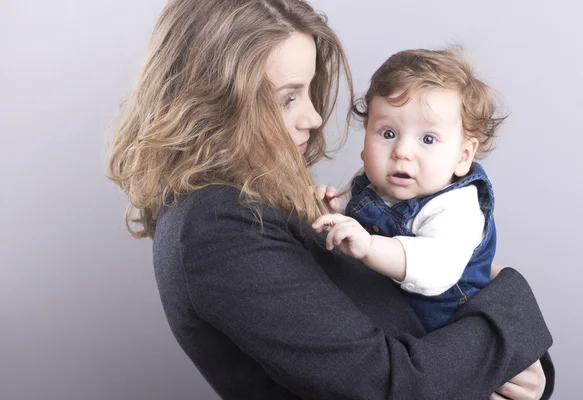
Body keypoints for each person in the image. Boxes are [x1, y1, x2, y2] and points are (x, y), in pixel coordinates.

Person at [107, 0, 554, 399]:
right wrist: (513, 315)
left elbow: (405, 309)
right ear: (213, 103)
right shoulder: (213, 227)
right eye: (287, 98)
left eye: (308, 89)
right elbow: (387, 384)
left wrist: (527, 372)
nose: (315, 116)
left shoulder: (257, 198)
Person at [312, 48, 504, 332]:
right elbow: (355, 211)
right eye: (387, 134)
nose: (401, 151)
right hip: (387, 317)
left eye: (427, 139)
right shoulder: (376, 180)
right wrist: (332, 208)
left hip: (443, 334)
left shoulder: (458, 207)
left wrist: (368, 247)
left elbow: (434, 268)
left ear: (463, 156)